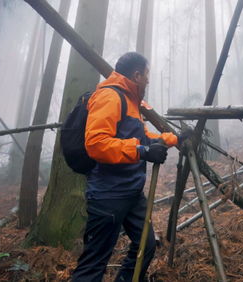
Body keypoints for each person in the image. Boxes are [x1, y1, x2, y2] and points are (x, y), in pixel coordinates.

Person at [72, 52, 178, 282]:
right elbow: (97, 144)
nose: (149, 80)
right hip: (107, 195)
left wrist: (169, 140)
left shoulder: (131, 101)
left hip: (132, 193)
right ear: (137, 74)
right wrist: (142, 151)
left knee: (146, 246)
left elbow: (140, 137)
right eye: (147, 74)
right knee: (94, 263)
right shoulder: (109, 97)